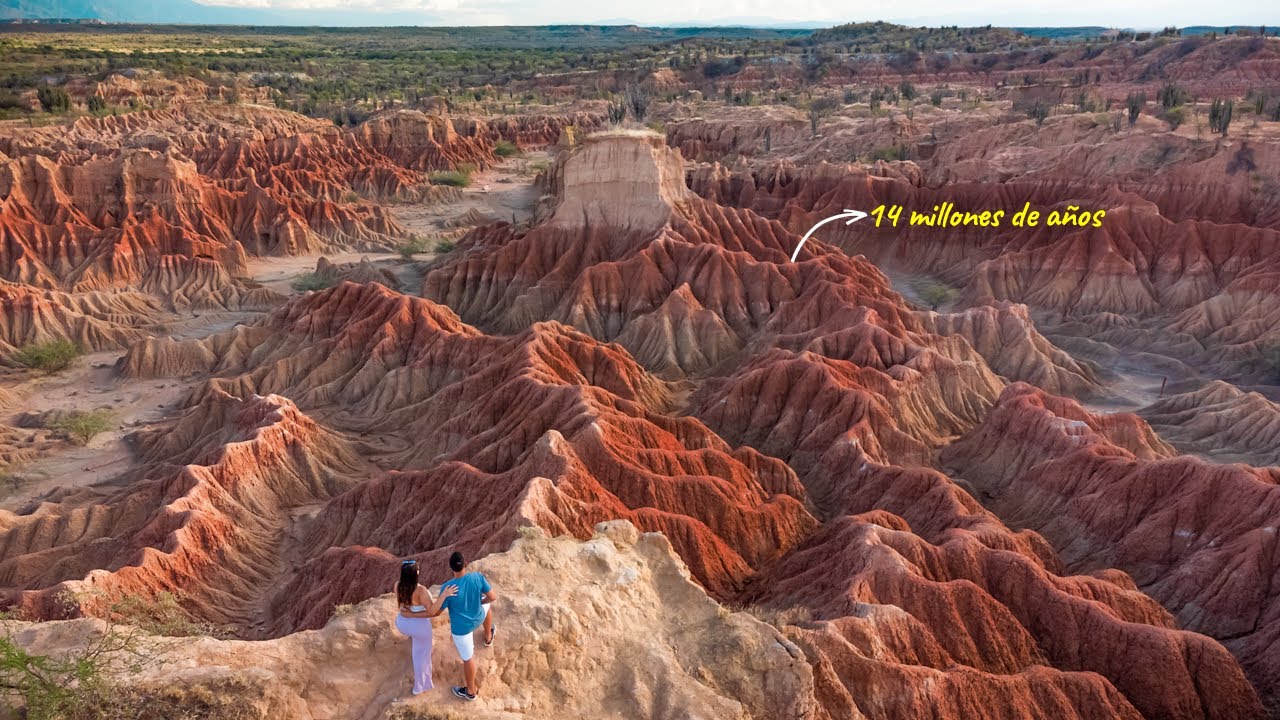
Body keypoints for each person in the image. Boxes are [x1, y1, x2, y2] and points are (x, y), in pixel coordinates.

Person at [393, 558, 457, 696]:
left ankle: (412, 636)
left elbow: (403, 606)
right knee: (421, 656)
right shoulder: (420, 591)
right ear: (416, 573)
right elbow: (433, 611)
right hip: (418, 628)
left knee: (416, 641)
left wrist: (409, 614)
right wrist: (445, 595)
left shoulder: (398, 585)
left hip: (402, 623)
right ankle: (420, 687)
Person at [439, 551, 495, 701]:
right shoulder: (477, 577)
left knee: (468, 659)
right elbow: (492, 597)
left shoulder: (447, 588)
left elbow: (437, 611)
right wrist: (480, 602)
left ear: (451, 568)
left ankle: (470, 691)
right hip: (478, 617)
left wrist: (444, 596)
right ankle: (488, 637)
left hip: (462, 630)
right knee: (487, 605)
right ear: (466, 563)